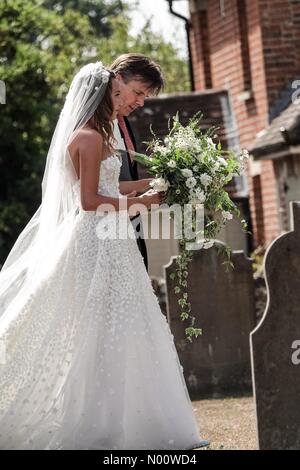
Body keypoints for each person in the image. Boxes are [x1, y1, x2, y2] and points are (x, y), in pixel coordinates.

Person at [0, 62, 208, 450]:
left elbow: (113, 184)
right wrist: (143, 204)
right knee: (101, 327)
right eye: (133, 93)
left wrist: (162, 179)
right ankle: (98, 426)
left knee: (128, 324)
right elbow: (89, 200)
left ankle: (135, 425)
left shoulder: (102, 136)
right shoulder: (89, 138)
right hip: (95, 240)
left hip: (114, 239)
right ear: (108, 90)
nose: (134, 102)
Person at [111, 53, 165, 272]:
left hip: (129, 231)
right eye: (138, 93)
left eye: (145, 96)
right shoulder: (90, 131)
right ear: (118, 79)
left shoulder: (124, 123)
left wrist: (155, 186)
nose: (141, 102)